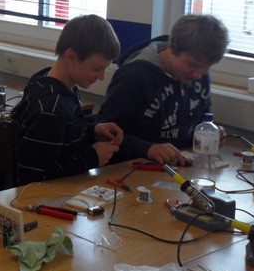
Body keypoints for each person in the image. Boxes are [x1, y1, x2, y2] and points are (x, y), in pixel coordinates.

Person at [95, 13, 229, 165]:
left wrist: (210, 133)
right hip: (132, 166)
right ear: (172, 49)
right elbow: (105, 133)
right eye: (192, 65)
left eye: (206, 67)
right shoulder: (134, 76)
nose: (198, 74)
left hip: (179, 164)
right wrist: (147, 148)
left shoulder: (199, 76)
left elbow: (201, 120)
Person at [11, 15, 124, 184]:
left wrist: (92, 130)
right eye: (96, 69)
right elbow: (35, 178)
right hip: (45, 197)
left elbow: (62, 137)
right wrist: (93, 156)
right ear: (71, 56)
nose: (101, 77)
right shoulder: (52, 107)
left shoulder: (53, 82)